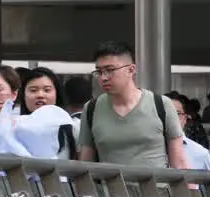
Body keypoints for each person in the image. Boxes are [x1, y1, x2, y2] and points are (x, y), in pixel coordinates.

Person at [78, 41, 188, 169]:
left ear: (131, 70)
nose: (103, 78)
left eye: (110, 70)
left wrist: (190, 189)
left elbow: (179, 162)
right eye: (99, 72)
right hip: (109, 188)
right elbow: (86, 163)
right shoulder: (92, 108)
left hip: (155, 188)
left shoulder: (162, 105)